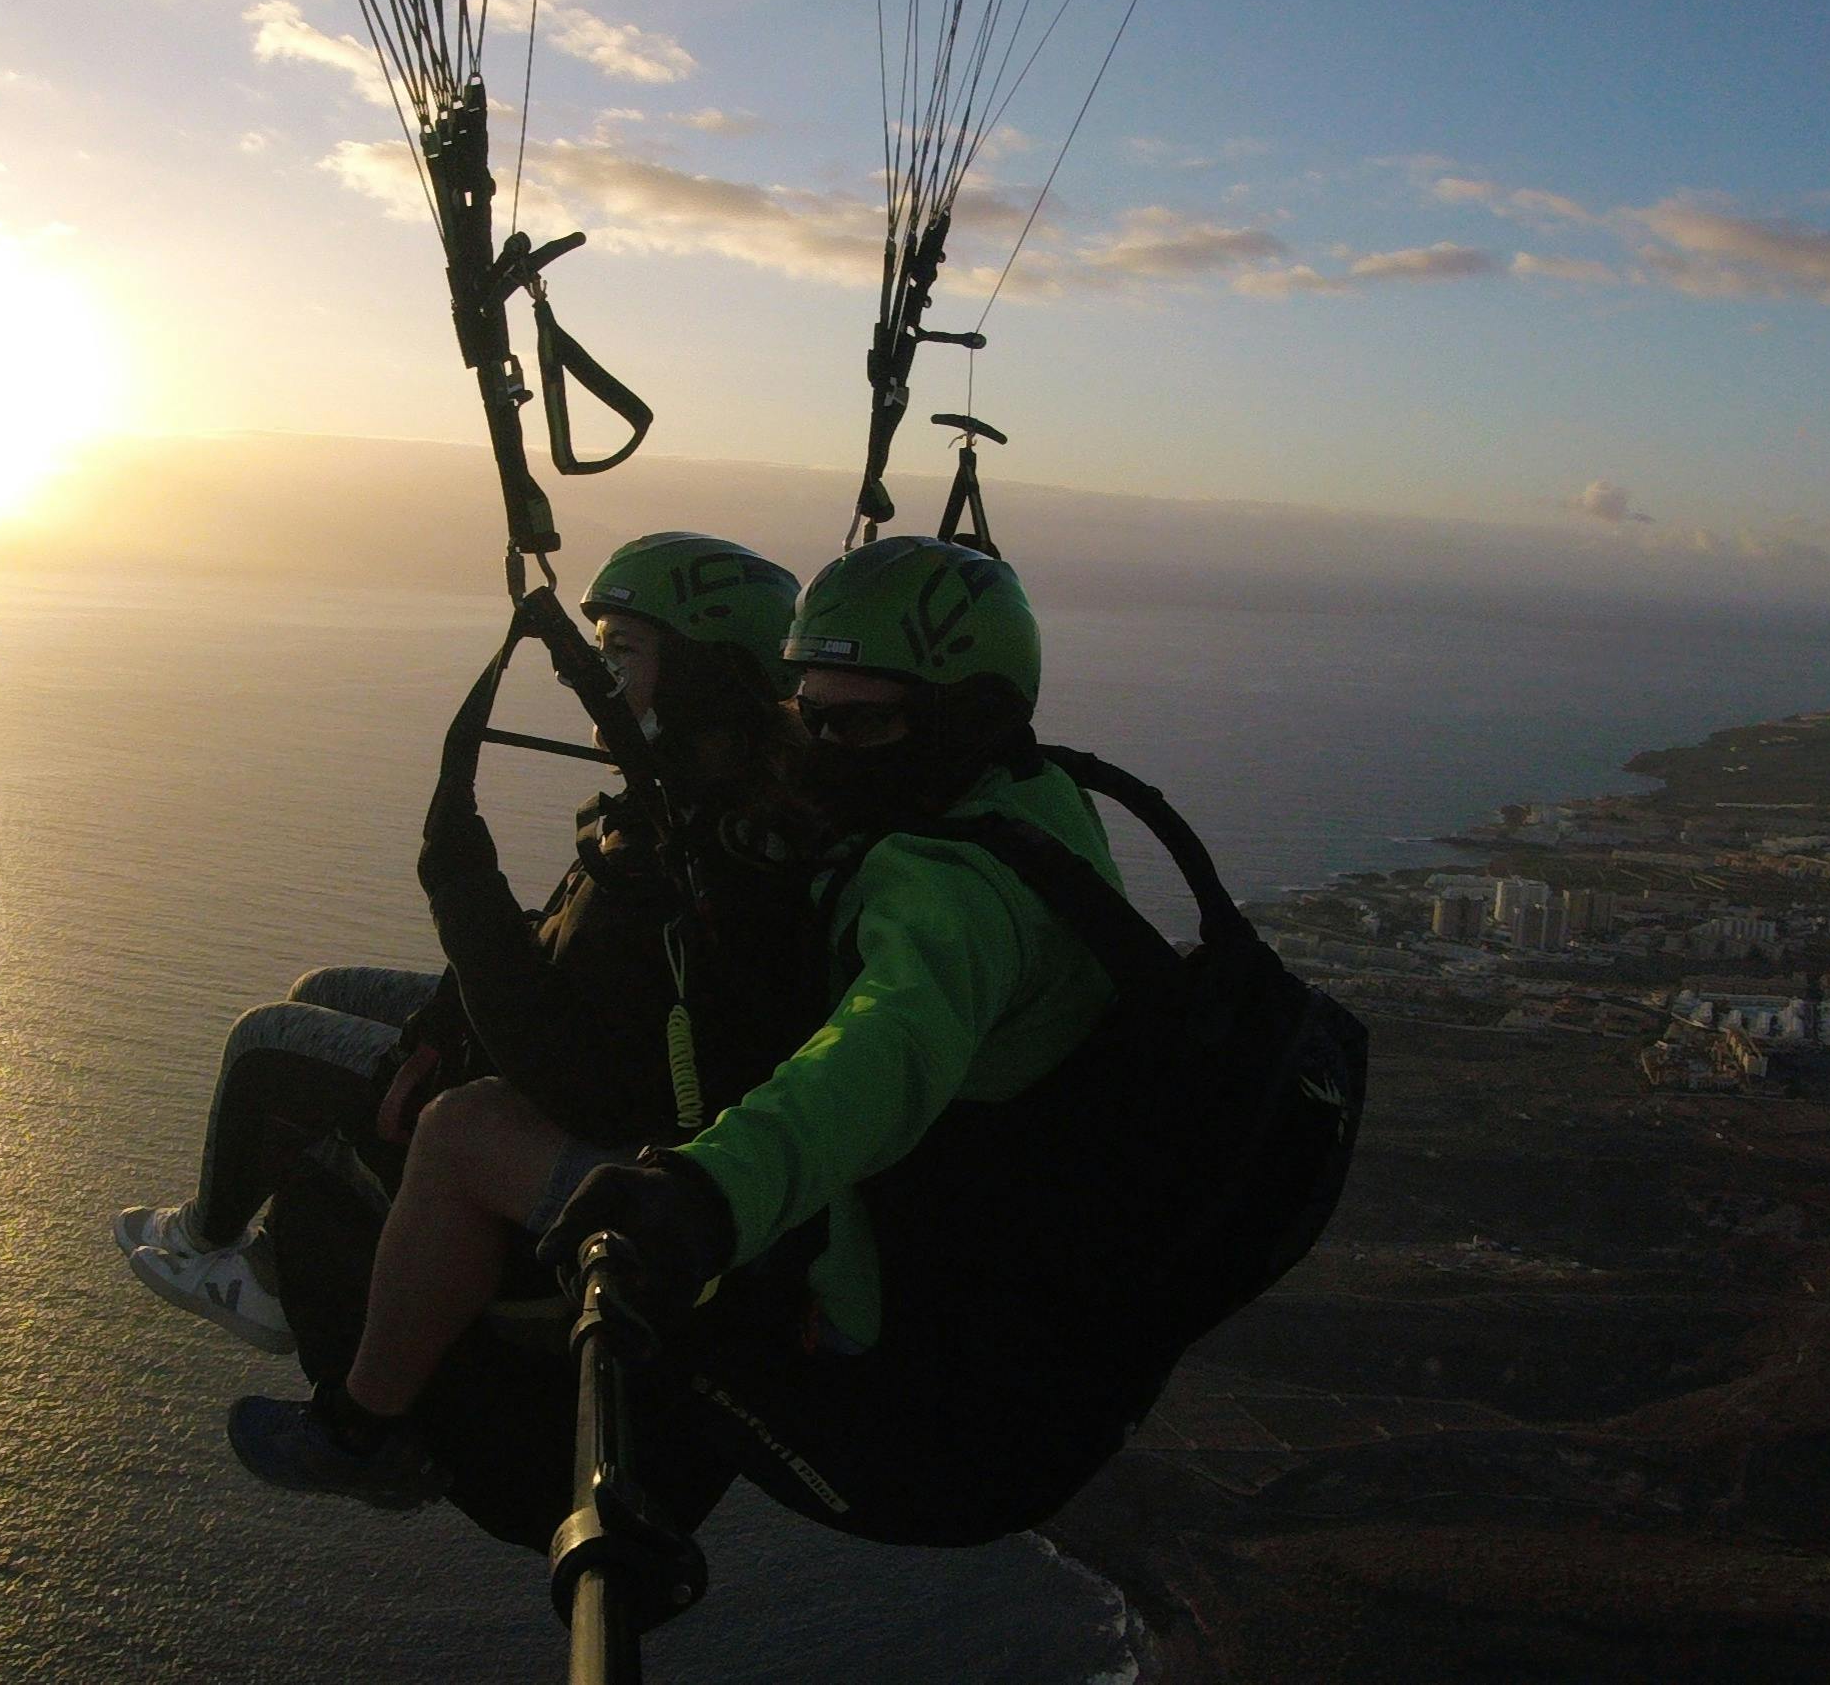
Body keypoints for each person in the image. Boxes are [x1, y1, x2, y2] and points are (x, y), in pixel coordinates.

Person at [118, 533, 825, 1508]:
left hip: (614, 1133)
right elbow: (560, 954)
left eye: (622, 652)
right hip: (587, 1055)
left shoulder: (700, 863)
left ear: (698, 675)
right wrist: (438, 1021)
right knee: (325, 983)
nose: (594, 679)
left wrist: (458, 880)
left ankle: (215, 1255)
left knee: (266, 1044)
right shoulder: (692, 808)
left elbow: (566, 1072)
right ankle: (270, 1257)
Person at [527, 535, 1158, 1546]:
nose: (817, 750)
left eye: (853, 727)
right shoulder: (1023, 797)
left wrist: (710, 1189)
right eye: (804, 714)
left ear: (963, 717)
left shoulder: (952, 894)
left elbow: (879, 1052)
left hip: (899, 1343)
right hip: (988, 1270)